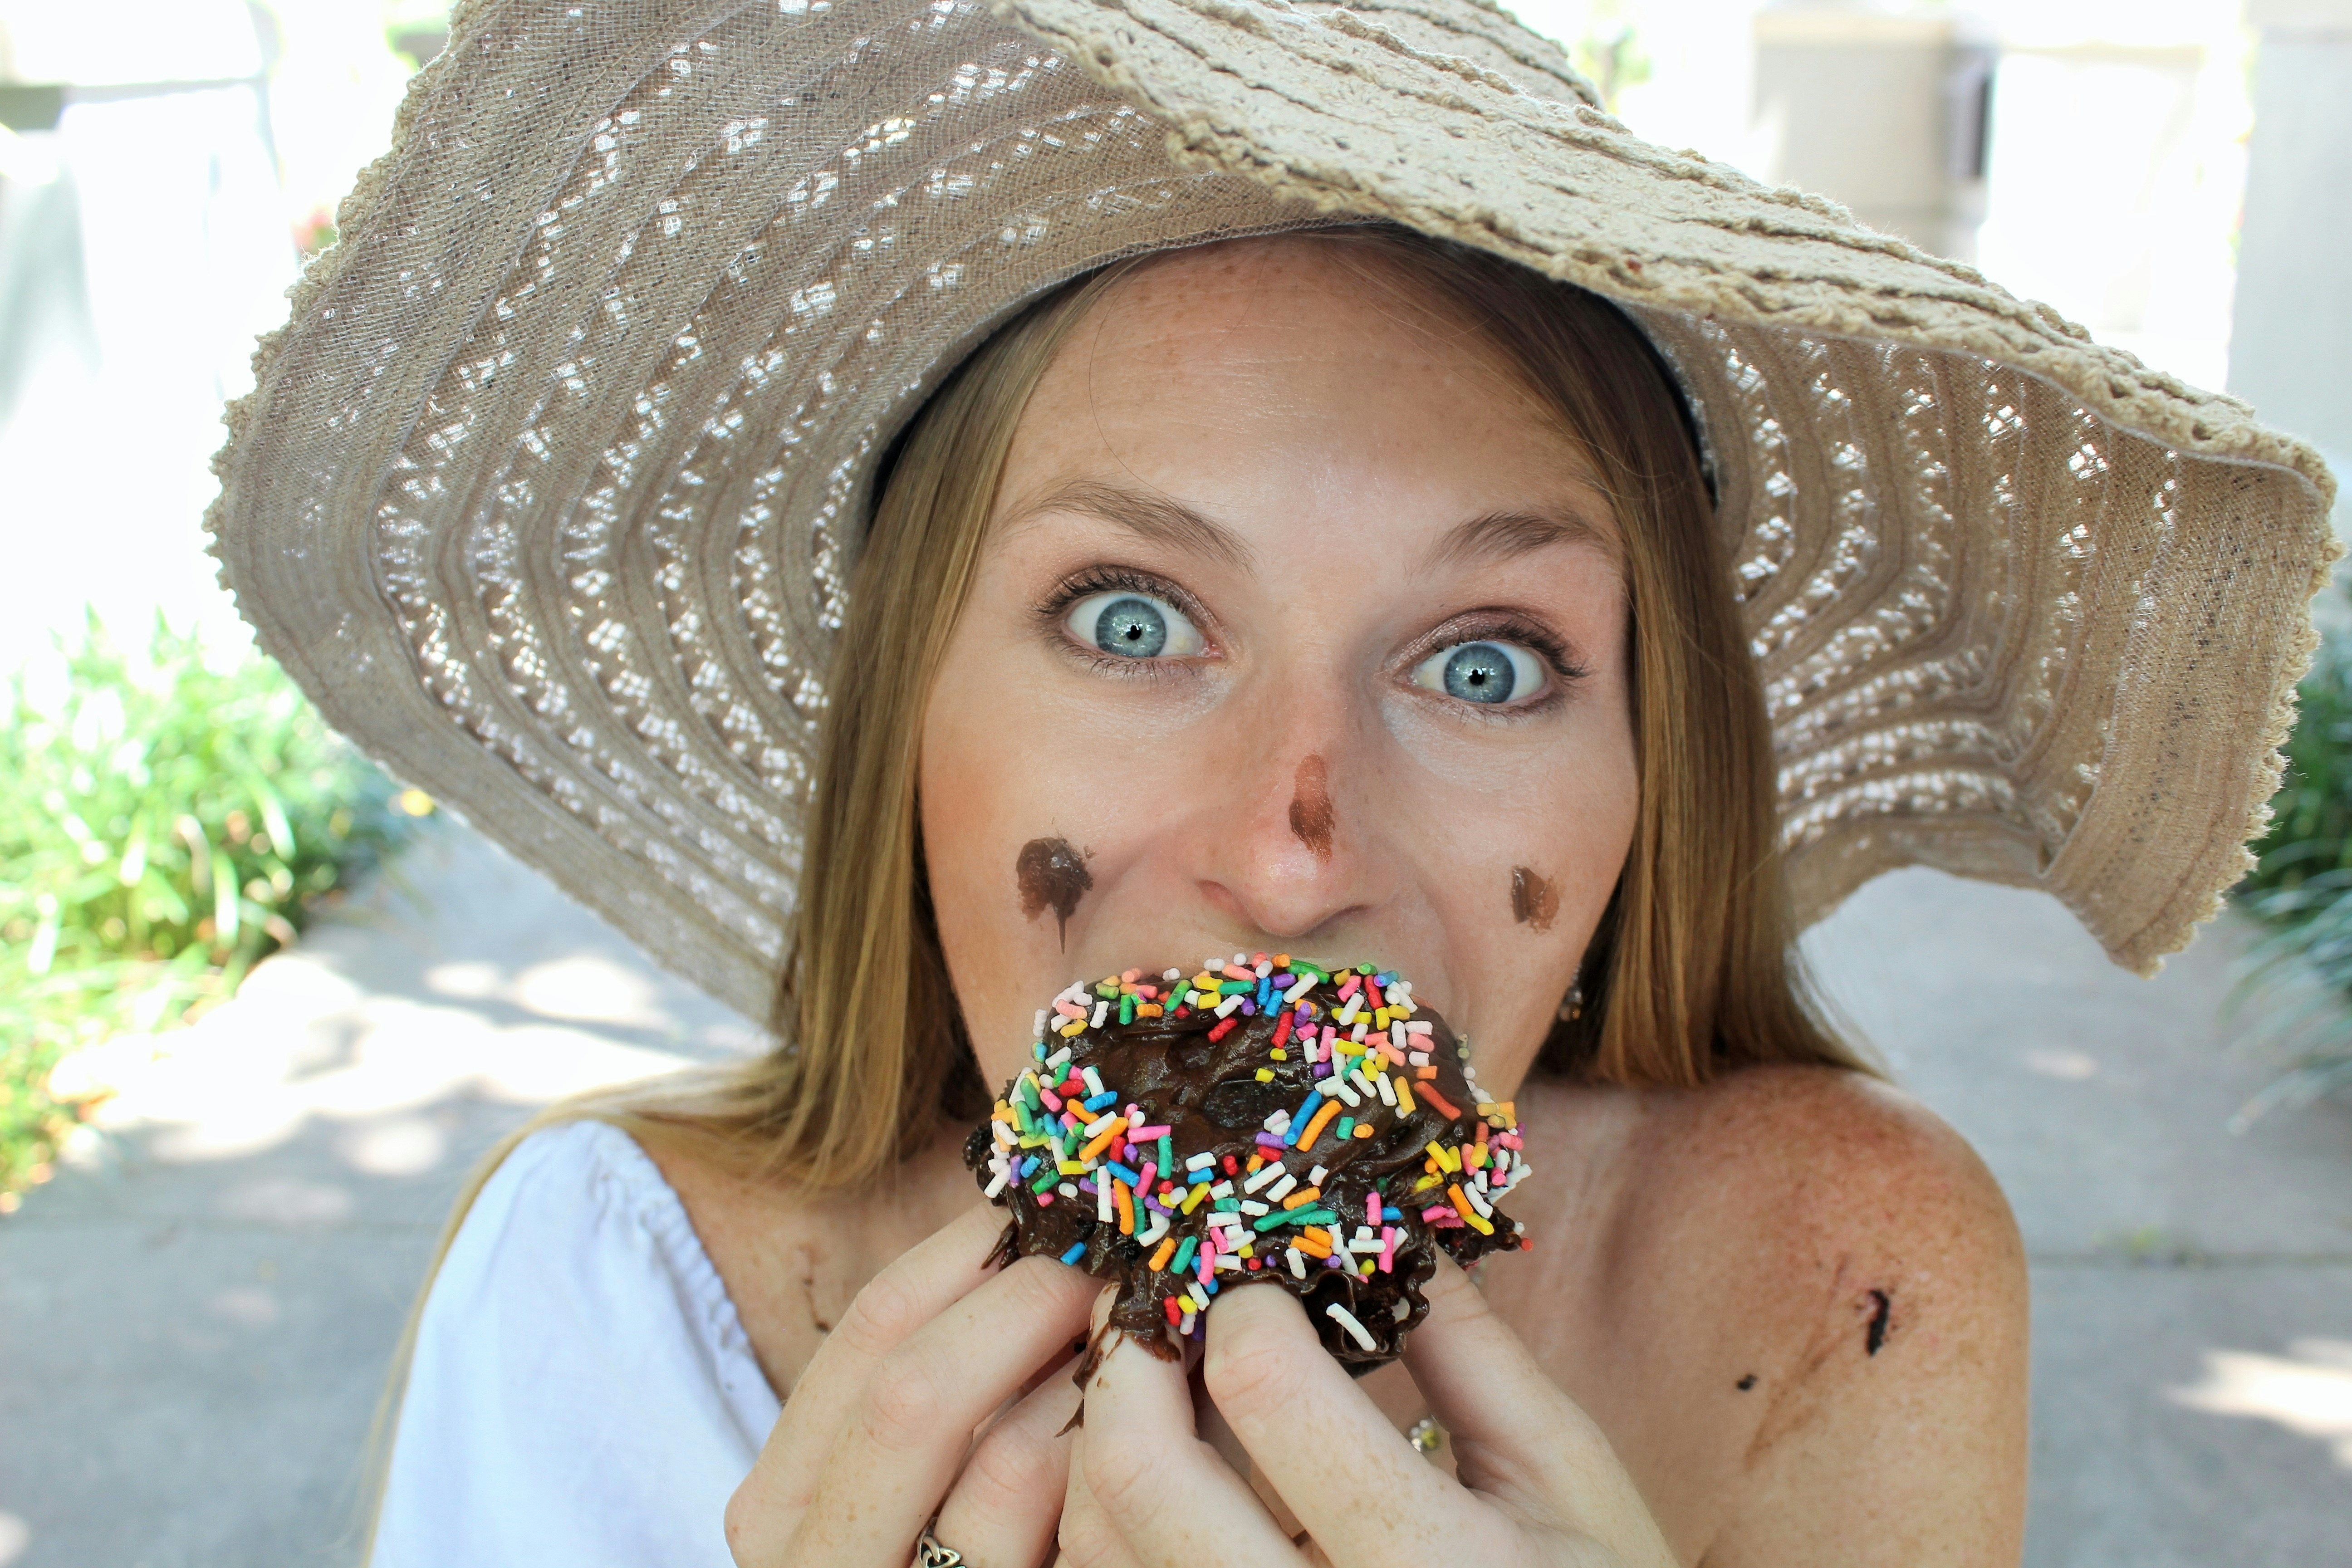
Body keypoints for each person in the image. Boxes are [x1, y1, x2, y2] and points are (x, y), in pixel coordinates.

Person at [204, 1, 2338, 1564]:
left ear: (1643, 788)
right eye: (1133, 619)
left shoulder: (1838, 1283)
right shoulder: (597, 1297)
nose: (1289, 849)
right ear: (905, 718)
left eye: (1486, 663)